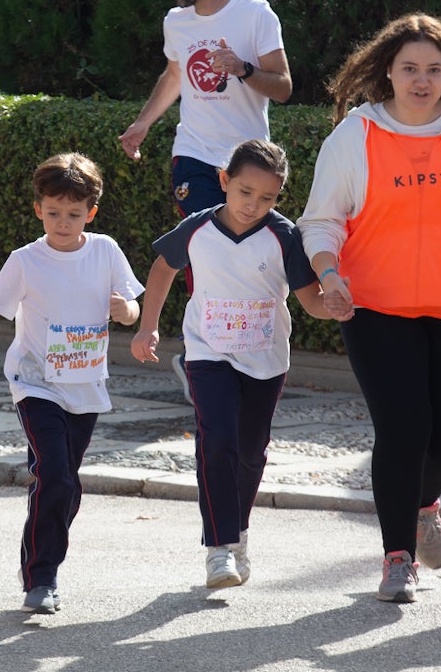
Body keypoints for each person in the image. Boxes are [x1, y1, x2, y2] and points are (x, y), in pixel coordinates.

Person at [298, 13, 441, 603]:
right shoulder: (356, 135)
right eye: (409, 69)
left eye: (433, 69)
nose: (422, 81)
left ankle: (422, 503)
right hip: (376, 307)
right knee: (404, 430)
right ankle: (398, 556)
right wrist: (328, 274)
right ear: (388, 73)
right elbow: (321, 220)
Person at [130, 139, 330, 589]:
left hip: (265, 360)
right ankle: (219, 549)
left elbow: (311, 301)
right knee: (217, 438)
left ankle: (238, 534)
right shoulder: (197, 228)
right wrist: (148, 327)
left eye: (267, 197)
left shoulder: (284, 236)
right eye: (244, 192)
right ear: (224, 181)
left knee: (250, 452)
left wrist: (335, 306)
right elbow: (163, 269)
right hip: (207, 352)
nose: (253, 205)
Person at [0, 153, 143, 614]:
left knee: (63, 483)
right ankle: (42, 577)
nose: (62, 223)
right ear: (38, 209)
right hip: (35, 382)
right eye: (53, 213)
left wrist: (128, 313)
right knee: (56, 476)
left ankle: (41, 559)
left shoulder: (104, 250)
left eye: (74, 214)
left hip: (85, 386)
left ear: (91, 213)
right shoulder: (26, 260)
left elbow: (132, 305)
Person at [118, 0, 293, 402]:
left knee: (240, 257)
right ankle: (204, 351)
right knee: (203, 247)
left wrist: (244, 69)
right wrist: (142, 125)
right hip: (194, 156)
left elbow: (284, 86)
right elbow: (175, 74)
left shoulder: (255, 13)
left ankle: (236, 350)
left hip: (248, 163)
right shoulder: (177, 23)